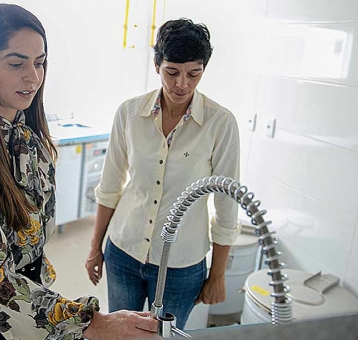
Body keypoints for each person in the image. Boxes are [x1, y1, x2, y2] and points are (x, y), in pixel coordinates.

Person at [0, 4, 158, 340]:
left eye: (39, 62)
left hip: (23, 304)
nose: (33, 76)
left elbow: (30, 246)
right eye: (16, 63)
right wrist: (90, 323)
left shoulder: (29, 138)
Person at [85, 18, 241, 330]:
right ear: (157, 65)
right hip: (124, 251)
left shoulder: (220, 123)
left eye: (193, 74)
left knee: (164, 337)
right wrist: (95, 247)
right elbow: (111, 186)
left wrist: (218, 274)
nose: (182, 83)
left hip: (181, 264)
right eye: (172, 72)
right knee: (122, 333)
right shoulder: (129, 113)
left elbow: (227, 207)